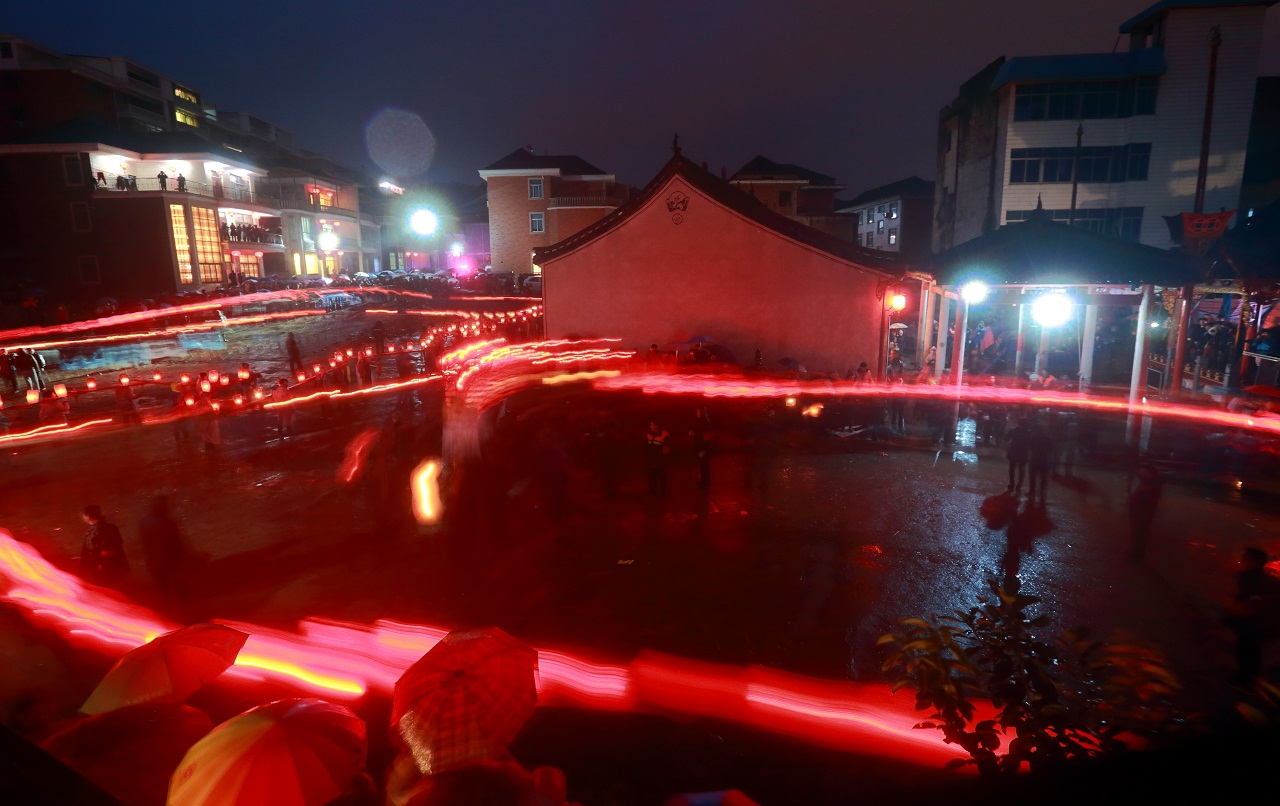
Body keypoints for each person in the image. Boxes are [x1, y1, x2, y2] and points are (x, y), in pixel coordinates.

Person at [1225, 547, 1280, 685]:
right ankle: (1246, 676)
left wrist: (1252, 602)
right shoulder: (1245, 576)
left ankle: (1247, 680)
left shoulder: (1264, 580)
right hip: (1247, 621)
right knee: (1245, 649)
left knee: (1249, 650)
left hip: (1255, 622)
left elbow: (1267, 600)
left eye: (1246, 558)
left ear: (1257, 561)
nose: (1243, 560)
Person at [138, 496, 197, 603]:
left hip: (157, 560)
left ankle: (169, 604)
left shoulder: (145, 522)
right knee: (177, 583)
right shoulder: (167, 522)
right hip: (168, 559)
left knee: (164, 585)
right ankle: (181, 604)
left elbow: (146, 543)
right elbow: (177, 542)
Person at [81, 505, 129, 585]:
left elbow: (108, 551)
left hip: (105, 571)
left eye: (84, 515)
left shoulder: (99, 530)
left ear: (88, 516)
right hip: (114, 569)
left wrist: (100, 564)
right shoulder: (110, 527)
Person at [1126, 464, 1164, 560]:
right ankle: (1136, 552)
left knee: (1140, 533)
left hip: (1143, 513)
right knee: (1137, 533)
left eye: (1143, 472)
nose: (1141, 473)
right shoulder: (1146, 481)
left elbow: (1145, 498)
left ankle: (1138, 555)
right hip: (1139, 511)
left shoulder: (1151, 484)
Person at [1027, 420, 1053, 501]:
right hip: (1044, 460)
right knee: (1043, 479)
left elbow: (1030, 447)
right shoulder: (1048, 439)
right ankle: (1041, 493)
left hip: (1035, 459)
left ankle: (1032, 491)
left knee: (1033, 477)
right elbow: (1050, 450)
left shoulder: (1034, 437)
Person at [1005, 417, 1031, 493]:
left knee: (1012, 469)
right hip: (1023, 452)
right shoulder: (1028, 433)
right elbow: (1030, 444)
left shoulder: (1013, 430)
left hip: (1013, 451)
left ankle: (1012, 484)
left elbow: (1006, 439)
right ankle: (1019, 485)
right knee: (1022, 470)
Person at [645, 420, 670, 496]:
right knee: (651, 476)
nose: (651, 427)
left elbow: (666, 448)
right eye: (650, 425)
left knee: (661, 475)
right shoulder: (649, 434)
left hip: (660, 459)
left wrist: (662, 459)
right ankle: (652, 491)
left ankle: (664, 491)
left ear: (657, 426)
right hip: (651, 459)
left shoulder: (664, 434)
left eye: (652, 425)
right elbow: (647, 447)